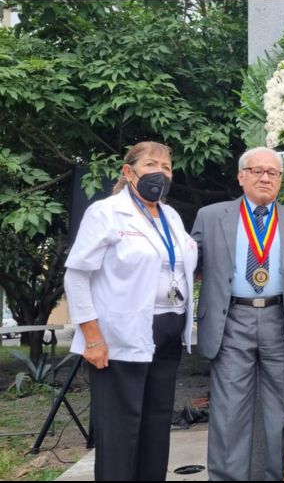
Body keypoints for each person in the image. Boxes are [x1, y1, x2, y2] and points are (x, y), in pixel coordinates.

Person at [64, 141, 198, 481]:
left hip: (168, 332)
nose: (160, 173)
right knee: (120, 430)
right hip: (119, 337)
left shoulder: (170, 216)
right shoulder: (106, 212)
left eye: (167, 167)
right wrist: (92, 338)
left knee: (156, 425)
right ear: (129, 171)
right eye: (151, 164)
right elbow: (77, 275)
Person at [191, 147, 284, 481]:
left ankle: (276, 476)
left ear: (280, 180)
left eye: (272, 173)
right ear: (241, 176)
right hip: (231, 320)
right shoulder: (211, 216)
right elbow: (189, 267)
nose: (264, 177)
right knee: (229, 410)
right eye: (256, 170)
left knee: (279, 410)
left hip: (280, 321)